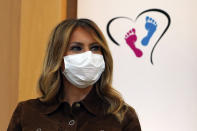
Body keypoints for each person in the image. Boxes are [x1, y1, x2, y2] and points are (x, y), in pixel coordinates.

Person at [7, 18, 141, 131]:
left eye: (95, 48)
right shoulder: (27, 113)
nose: (88, 55)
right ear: (57, 58)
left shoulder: (122, 116)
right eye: (76, 48)